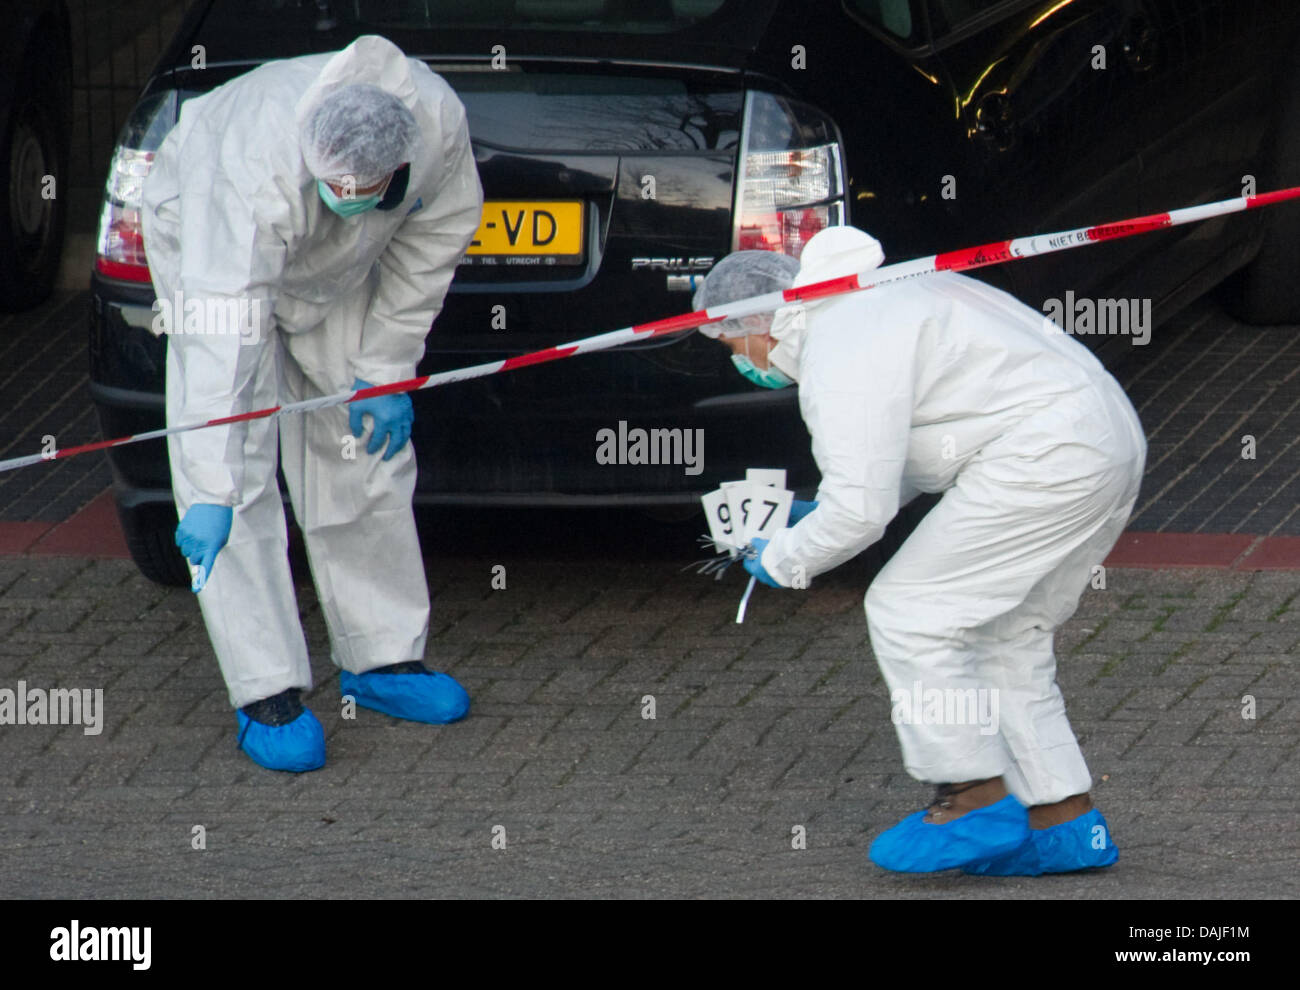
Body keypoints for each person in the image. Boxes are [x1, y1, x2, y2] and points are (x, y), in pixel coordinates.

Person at [692, 227, 1146, 875]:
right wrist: (815, 512)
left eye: (730, 343)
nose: (738, 359)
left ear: (757, 323)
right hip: (1101, 439)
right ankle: (1066, 825)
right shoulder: (876, 296)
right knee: (1005, 634)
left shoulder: (836, 348)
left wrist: (784, 556)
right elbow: (926, 438)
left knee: (909, 608)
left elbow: (861, 513)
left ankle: (971, 798)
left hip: (1044, 456)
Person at [141, 35, 484, 773]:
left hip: (339, 268)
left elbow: (433, 241)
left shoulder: (437, 127)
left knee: (362, 448)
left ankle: (382, 658)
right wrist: (209, 485)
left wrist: (386, 368)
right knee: (240, 464)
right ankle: (265, 689)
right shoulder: (249, 172)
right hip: (212, 250)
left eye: (372, 194)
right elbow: (220, 349)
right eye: (341, 194)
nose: (354, 205)